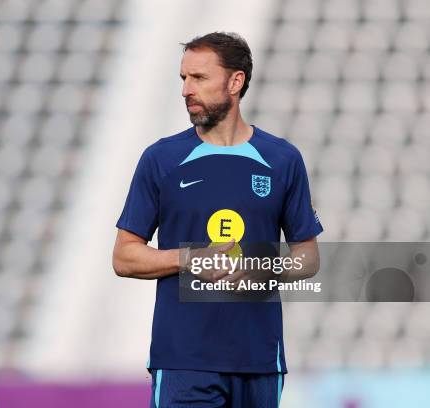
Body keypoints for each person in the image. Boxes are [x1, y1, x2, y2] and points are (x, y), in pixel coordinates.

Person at [112, 32, 323, 407]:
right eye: (183, 78)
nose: (186, 90)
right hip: (183, 362)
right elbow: (124, 257)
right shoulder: (160, 159)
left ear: (235, 82)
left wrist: (262, 268)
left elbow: (308, 257)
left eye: (199, 78)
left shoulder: (282, 159)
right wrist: (188, 259)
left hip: (259, 360)